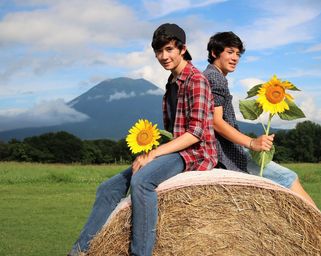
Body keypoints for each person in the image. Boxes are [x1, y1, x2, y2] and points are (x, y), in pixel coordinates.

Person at [68, 23, 217, 256]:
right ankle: (79, 251)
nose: (163, 56)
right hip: (173, 151)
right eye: (158, 51)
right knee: (108, 187)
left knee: (142, 181)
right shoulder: (171, 84)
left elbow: (195, 133)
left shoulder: (196, 80)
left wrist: (154, 155)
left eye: (169, 49)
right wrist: (151, 151)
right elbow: (172, 131)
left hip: (194, 153)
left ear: (183, 49)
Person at [203, 31, 321, 245]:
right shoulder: (214, 78)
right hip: (230, 155)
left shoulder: (210, 76)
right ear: (214, 52)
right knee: (289, 178)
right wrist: (252, 143)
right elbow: (216, 122)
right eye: (230, 52)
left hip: (226, 151)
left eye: (238, 54)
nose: (235, 58)